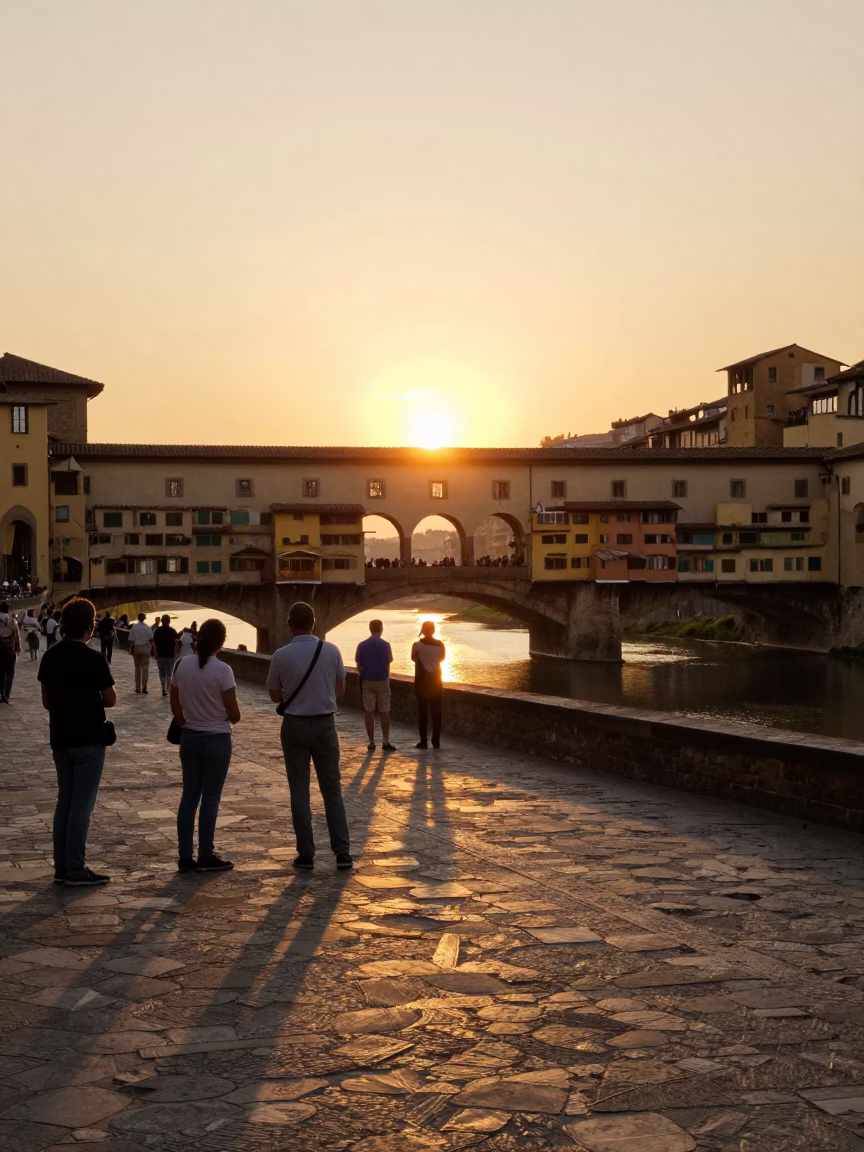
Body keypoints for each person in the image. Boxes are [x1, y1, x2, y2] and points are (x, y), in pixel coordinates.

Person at [266, 601, 352, 871]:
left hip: (294, 726)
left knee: (299, 790)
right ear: (314, 623)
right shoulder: (331, 650)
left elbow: (274, 695)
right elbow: (340, 689)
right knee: (332, 790)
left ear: (290, 625)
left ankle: (306, 855)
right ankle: (342, 854)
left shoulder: (281, 655)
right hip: (326, 725)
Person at [38, 598, 116, 886]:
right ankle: (75, 870)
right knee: (82, 805)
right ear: (89, 626)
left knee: (64, 803)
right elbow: (110, 699)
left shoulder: (50, 656)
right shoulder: (94, 658)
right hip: (89, 740)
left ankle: (62, 868)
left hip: (60, 738)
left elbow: (47, 702)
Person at [171, 618, 240, 872]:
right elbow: (234, 714)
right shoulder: (223, 670)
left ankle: (185, 856)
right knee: (210, 798)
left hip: (189, 737)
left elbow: (175, 700)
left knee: (189, 796)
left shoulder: (181, 665)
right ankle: (206, 854)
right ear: (221, 641)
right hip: (216, 738)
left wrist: (183, 721)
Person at [355, 619, 396, 752]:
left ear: (370, 629)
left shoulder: (362, 645)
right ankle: (385, 741)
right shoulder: (386, 645)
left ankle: (372, 742)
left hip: (367, 680)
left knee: (369, 711)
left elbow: (358, 666)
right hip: (382, 680)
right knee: (385, 710)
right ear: (381, 629)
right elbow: (388, 662)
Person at [411, 620, 446, 750]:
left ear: (423, 630)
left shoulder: (417, 645)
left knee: (422, 712)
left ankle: (423, 741)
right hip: (436, 681)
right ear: (433, 630)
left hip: (422, 682)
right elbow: (442, 658)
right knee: (437, 712)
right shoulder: (440, 645)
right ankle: (436, 741)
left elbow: (413, 658)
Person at [153, 614, 180, 696]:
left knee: (162, 672)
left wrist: (155, 652)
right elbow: (177, 638)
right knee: (169, 672)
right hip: (170, 654)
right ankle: (168, 689)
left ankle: (163, 689)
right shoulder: (172, 630)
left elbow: (155, 642)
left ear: (161, 621)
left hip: (160, 654)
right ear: (169, 621)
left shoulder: (157, 631)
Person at [128, 612, 154, 694]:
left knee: (137, 668)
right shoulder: (147, 628)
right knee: (145, 668)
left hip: (137, 648)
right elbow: (151, 639)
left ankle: (137, 687)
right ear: (144, 618)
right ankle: (144, 687)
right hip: (145, 648)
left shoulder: (134, 628)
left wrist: (131, 650)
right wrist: (154, 649)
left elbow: (131, 640)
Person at [0, 601, 21, 703]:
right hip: (9, 650)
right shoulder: (12, 621)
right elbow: (16, 635)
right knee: (9, 673)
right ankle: (6, 695)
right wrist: (17, 647)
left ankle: (0, 694)